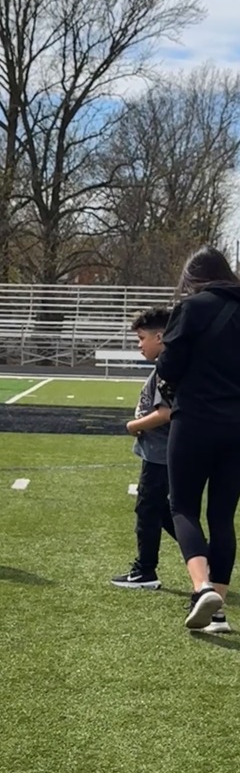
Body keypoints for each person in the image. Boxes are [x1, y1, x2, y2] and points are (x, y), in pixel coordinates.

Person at [156, 244, 240, 632]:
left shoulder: (191, 308)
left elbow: (169, 368)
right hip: (237, 423)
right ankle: (217, 612)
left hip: (195, 418)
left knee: (183, 506)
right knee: (222, 515)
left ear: (194, 278)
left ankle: (202, 586)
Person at [111, 307, 174, 590]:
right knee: (162, 508)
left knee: (148, 508)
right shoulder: (167, 364)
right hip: (161, 449)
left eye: (141, 338)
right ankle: (202, 553)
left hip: (161, 451)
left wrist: (133, 425)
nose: (139, 345)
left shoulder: (167, 367)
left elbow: (166, 413)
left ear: (159, 337)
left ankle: (145, 570)